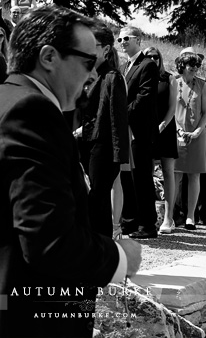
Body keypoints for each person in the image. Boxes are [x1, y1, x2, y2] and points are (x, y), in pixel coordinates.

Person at [0, 7, 142, 338]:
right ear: (49, 57)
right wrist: (119, 258)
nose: (93, 75)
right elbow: (48, 240)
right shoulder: (31, 113)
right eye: (87, 62)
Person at [75, 22, 129, 237]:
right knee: (93, 198)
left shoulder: (112, 77)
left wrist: (119, 155)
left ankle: (104, 252)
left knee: (98, 199)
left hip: (104, 148)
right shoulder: (89, 75)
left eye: (91, 45)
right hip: (89, 145)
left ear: (105, 50)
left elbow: (116, 119)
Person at [118, 26, 160, 239]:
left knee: (141, 178)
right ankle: (130, 222)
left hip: (139, 131)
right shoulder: (125, 66)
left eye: (126, 38)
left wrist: (121, 114)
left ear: (138, 40)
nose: (122, 42)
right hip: (126, 131)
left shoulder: (148, 65)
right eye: (119, 39)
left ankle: (147, 225)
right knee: (128, 178)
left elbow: (144, 98)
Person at [142, 46, 179, 234]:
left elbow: (172, 108)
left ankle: (168, 218)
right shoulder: (143, 78)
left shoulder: (169, 78)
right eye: (148, 57)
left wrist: (161, 126)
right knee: (145, 172)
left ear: (160, 58)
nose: (152, 59)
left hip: (165, 130)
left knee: (168, 172)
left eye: (155, 57)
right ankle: (149, 217)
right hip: (146, 132)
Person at [173, 48, 206, 231]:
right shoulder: (173, 82)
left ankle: (191, 217)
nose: (195, 68)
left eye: (197, 65)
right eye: (191, 65)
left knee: (194, 175)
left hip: (197, 136)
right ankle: (170, 216)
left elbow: (205, 113)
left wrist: (198, 132)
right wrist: (177, 129)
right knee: (175, 174)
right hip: (176, 135)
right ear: (182, 65)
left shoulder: (203, 85)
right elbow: (169, 110)